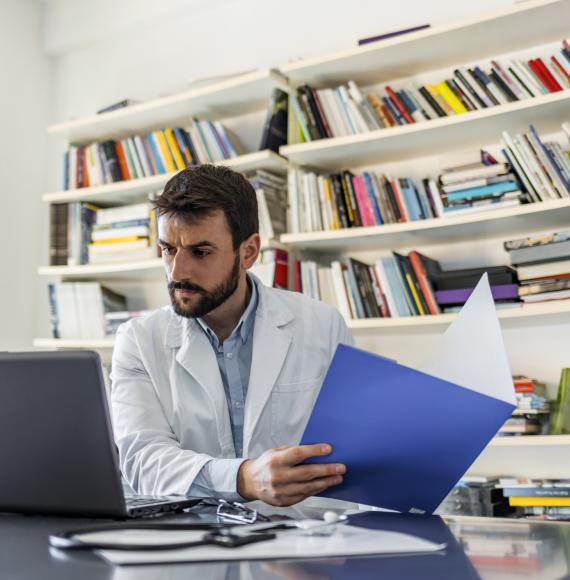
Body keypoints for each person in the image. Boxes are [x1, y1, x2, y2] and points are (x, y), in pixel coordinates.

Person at [111, 164, 354, 507]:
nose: (178, 271)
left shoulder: (322, 325)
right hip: (193, 541)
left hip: (303, 540)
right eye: (168, 249)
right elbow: (142, 461)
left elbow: (352, 452)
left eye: (201, 252)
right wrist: (244, 478)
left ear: (249, 252)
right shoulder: (138, 340)